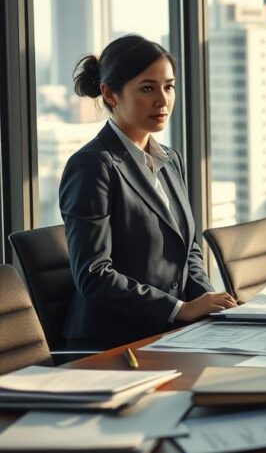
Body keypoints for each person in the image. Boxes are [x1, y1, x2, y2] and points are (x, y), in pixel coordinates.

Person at [60, 35, 237, 349]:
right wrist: (179, 309)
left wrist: (211, 307)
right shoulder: (92, 166)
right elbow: (94, 275)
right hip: (113, 343)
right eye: (147, 88)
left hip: (172, 332)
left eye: (168, 86)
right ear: (110, 94)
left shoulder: (170, 159)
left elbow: (188, 251)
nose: (163, 100)